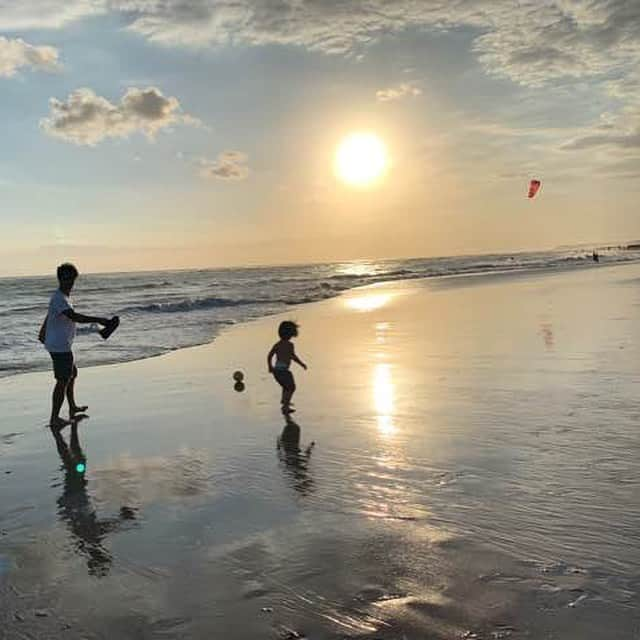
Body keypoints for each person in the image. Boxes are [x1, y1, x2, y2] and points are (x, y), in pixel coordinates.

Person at [39, 263, 112, 429]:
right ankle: (54, 418)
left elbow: (50, 314)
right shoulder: (59, 297)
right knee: (62, 380)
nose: (69, 281)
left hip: (61, 344)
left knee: (72, 373)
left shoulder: (63, 298)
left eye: (71, 278)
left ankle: (72, 406)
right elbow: (74, 317)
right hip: (59, 346)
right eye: (65, 278)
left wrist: (42, 332)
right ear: (60, 279)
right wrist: (100, 320)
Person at [267, 320, 307, 414]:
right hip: (284, 371)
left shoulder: (277, 344)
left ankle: (284, 401)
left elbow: (269, 355)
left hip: (276, 371)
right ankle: (285, 407)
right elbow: (293, 356)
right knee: (291, 387)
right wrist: (302, 364)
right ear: (291, 334)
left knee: (286, 387)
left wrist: (270, 366)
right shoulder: (290, 345)